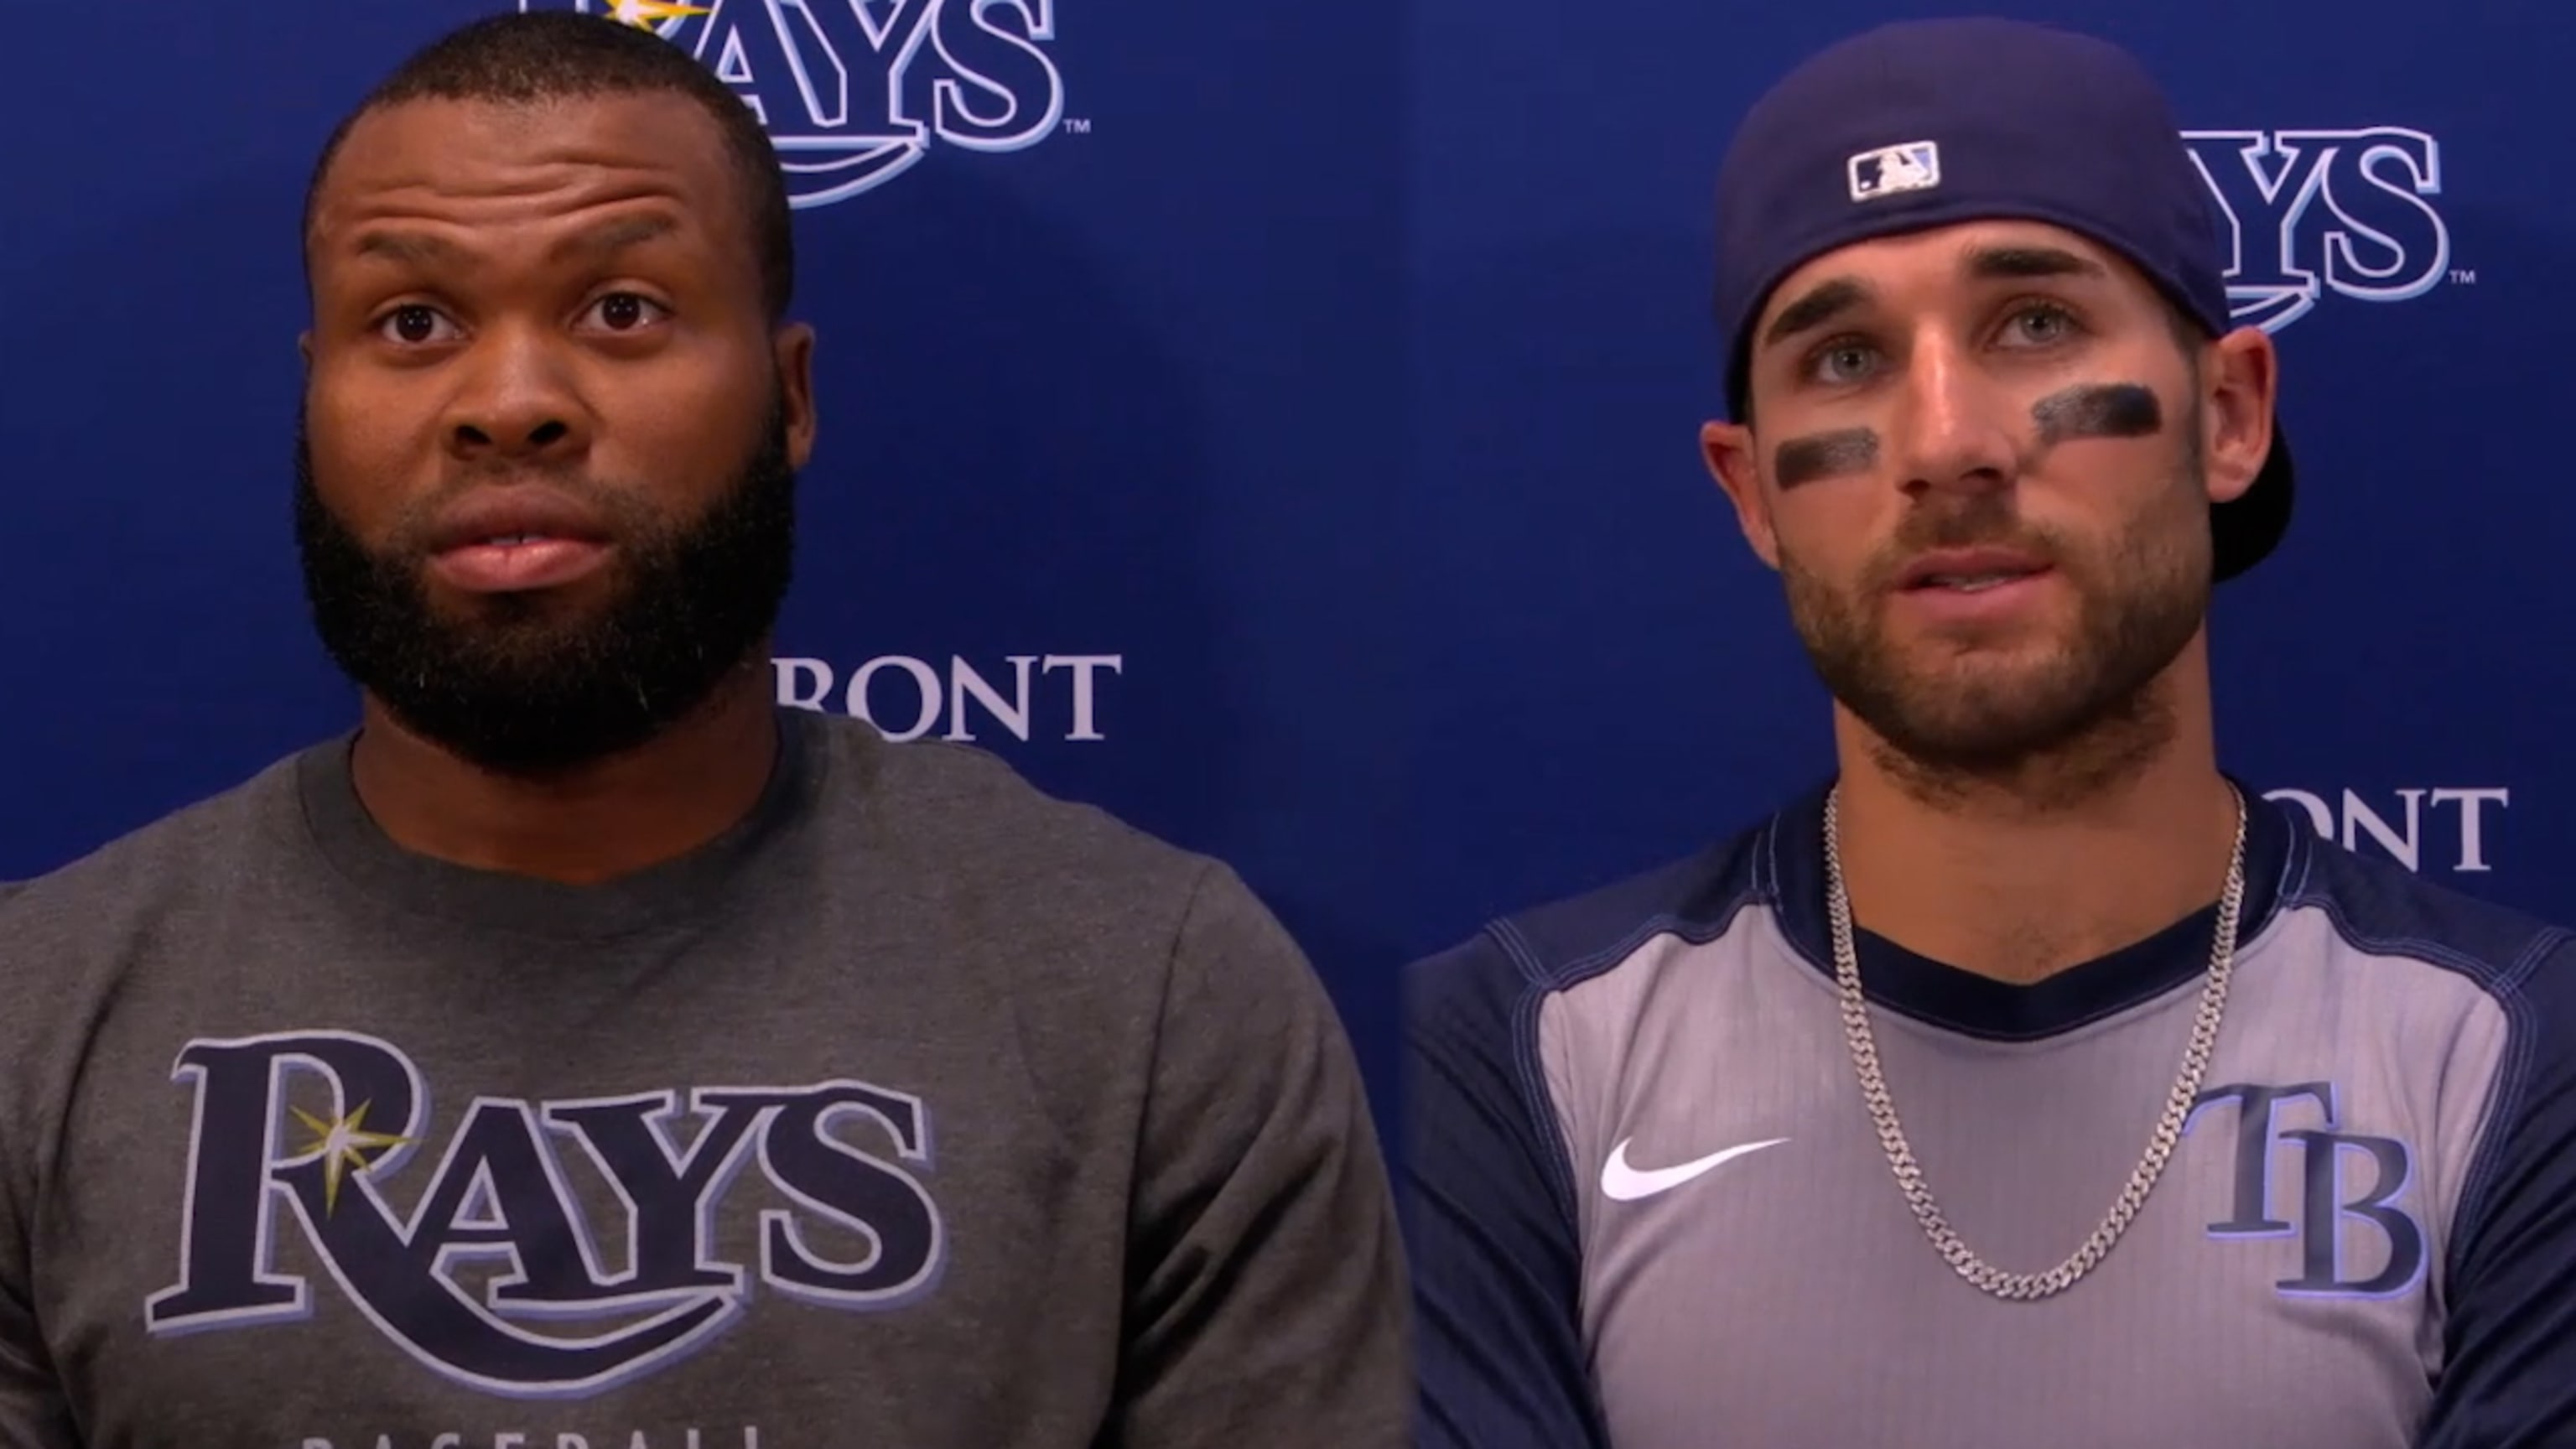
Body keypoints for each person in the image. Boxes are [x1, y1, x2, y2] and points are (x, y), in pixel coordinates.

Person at [0, 11, 1409, 1446]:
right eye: (414, 322)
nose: (511, 406)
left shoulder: (1153, 996)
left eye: (622, 309)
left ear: (788, 398)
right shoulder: (33, 1021)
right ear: (315, 400)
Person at [1404, 17, 2576, 1449]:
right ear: (1753, 493)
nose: (1947, 440)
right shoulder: (1509, 1058)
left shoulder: (2516, 1054)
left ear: (2228, 414)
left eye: (2035, 324)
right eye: (1843, 358)